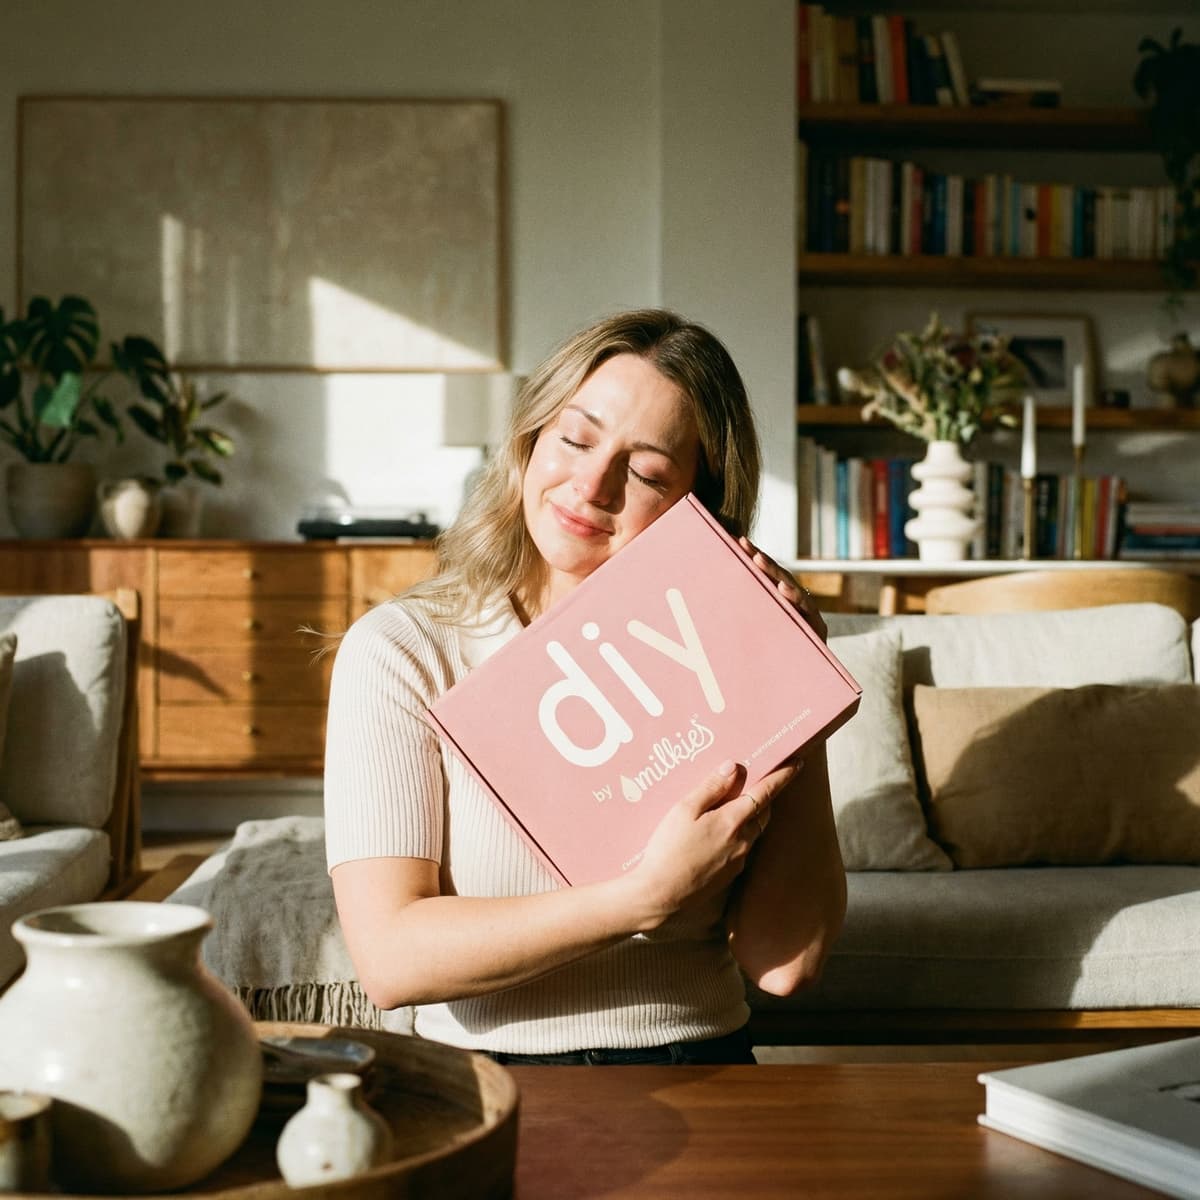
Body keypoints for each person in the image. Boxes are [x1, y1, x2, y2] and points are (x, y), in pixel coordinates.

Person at [324, 308, 846, 1065]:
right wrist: (638, 902)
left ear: (696, 503)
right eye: (575, 437)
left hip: (699, 1058)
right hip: (489, 1080)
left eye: (645, 472)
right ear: (532, 439)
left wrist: (798, 689)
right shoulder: (403, 652)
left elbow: (786, 964)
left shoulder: (720, 651)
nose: (592, 485)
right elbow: (391, 960)